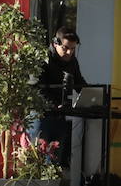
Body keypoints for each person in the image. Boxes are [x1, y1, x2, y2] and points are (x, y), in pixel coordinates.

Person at [36, 26, 86, 169]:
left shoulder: (73, 62)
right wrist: (52, 104)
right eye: (65, 48)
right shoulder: (43, 59)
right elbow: (36, 89)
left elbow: (79, 83)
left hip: (60, 116)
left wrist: (96, 96)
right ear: (55, 43)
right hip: (41, 116)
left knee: (55, 164)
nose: (69, 52)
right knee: (39, 162)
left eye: (73, 48)